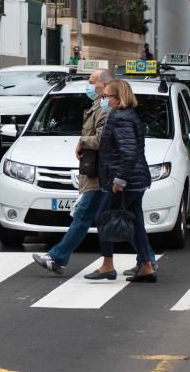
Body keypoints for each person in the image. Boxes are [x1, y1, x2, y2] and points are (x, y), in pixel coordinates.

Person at [32, 69, 111, 274]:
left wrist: (82, 142)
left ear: (104, 85)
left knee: (86, 217)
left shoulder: (104, 109)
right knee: (112, 218)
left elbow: (102, 140)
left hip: (99, 174)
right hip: (96, 173)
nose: (89, 85)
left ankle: (57, 256)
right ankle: (145, 259)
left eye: (92, 82)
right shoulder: (97, 106)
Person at [84, 79, 156, 283]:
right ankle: (146, 265)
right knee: (136, 223)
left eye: (106, 96)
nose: (103, 99)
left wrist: (120, 180)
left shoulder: (121, 118)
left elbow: (128, 152)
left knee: (103, 217)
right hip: (135, 179)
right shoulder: (127, 115)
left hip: (126, 181)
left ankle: (107, 266)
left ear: (118, 98)